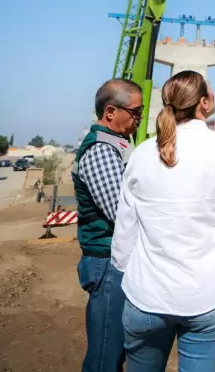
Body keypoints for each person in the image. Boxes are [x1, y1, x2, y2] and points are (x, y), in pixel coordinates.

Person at [112, 70, 215, 372]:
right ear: (203, 103)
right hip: (208, 295)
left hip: (145, 296)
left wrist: (136, 281)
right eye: (211, 92)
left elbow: (124, 235)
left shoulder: (140, 155)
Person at [73, 78, 142, 372]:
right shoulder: (101, 150)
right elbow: (121, 213)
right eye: (135, 111)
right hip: (107, 261)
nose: (139, 117)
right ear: (111, 112)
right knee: (105, 354)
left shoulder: (117, 146)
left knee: (114, 349)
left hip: (113, 259)